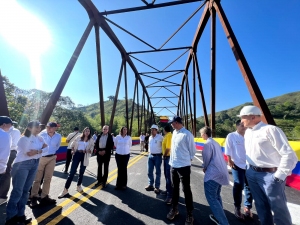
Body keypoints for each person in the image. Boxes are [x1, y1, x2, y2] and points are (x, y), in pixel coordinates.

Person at [238, 105, 298, 225]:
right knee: (260, 206)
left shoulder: (270, 130)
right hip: (252, 173)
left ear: (253, 117)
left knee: (279, 210)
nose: (241, 121)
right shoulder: (248, 133)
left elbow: (289, 155)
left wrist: (278, 177)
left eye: (243, 118)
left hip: (269, 175)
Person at [5, 121, 47, 225]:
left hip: (35, 164)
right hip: (22, 165)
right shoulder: (23, 139)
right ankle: (11, 218)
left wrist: (37, 151)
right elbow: (28, 152)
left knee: (25, 191)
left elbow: (48, 149)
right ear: (28, 128)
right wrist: (41, 149)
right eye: (36, 127)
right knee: (17, 191)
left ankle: (20, 215)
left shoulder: (39, 138)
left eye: (39, 127)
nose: (38, 129)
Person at [167, 116, 196, 225]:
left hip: (183, 166)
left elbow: (192, 151)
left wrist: (185, 161)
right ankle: (175, 209)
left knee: (186, 190)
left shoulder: (187, 134)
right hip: (173, 165)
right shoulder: (174, 132)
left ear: (177, 122)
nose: (171, 125)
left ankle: (190, 214)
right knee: (174, 189)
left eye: (172, 123)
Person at [200, 126, 230, 225]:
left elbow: (206, 158)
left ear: (204, 134)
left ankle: (223, 222)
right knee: (216, 196)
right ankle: (219, 217)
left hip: (213, 173)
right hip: (221, 171)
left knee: (211, 197)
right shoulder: (215, 142)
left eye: (201, 134)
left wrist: (204, 166)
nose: (201, 136)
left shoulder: (208, 144)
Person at [225, 120, 253, 220]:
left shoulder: (249, 136)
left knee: (249, 186)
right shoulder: (231, 136)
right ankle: (237, 207)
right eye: (241, 125)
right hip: (236, 164)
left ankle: (247, 207)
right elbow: (227, 148)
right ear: (237, 126)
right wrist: (229, 159)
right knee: (238, 185)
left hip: (249, 165)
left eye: (245, 125)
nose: (244, 127)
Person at [30, 122, 62, 207]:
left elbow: (57, 146)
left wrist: (52, 152)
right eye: (47, 127)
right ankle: (34, 197)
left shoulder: (58, 136)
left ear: (55, 128)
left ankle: (44, 196)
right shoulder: (42, 134)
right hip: (41, 157)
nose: (48, 129)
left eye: (51, 127)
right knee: (37, 178)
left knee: (48, 178)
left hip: (52, 157)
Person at [58, 127, 94, 198]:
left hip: (85, 156)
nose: (87, 132)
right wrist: (72, 150)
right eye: (86, 131)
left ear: (90, 132)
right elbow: (72, 145)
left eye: (88, 131)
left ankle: (79, 186)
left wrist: (88, 150)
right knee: (72, 173)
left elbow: (92, 148)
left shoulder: (91, 140)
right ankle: (65, 190)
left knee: (81, 172)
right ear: (83, 131)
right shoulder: (78, 137)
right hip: (77, 155)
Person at [145, 125, 163, 194]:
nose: (152, 131)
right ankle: (150, 185)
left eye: (153, 130)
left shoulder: (160, 137)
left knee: (157, 172)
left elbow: (164, 146)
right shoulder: (150, 137)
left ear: (156, 130)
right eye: (151, 130)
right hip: (150, 156)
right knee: (149, 171)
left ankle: (157, 187)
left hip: (158, 156)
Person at [0, 116, 15, 205]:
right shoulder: (5, 135)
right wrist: (3, 168)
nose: (10, 127)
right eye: (10, 125)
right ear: (4, 124)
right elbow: (4, 155)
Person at [161, 125, 173, 204]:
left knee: (168, 176)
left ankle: (170, 196)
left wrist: (164, 155)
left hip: (168, 157)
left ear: (165, 130)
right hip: (167, 157)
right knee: (166, 175)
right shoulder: (167, 136)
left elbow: (168, 148)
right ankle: (168, 190)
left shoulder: (169, 135)